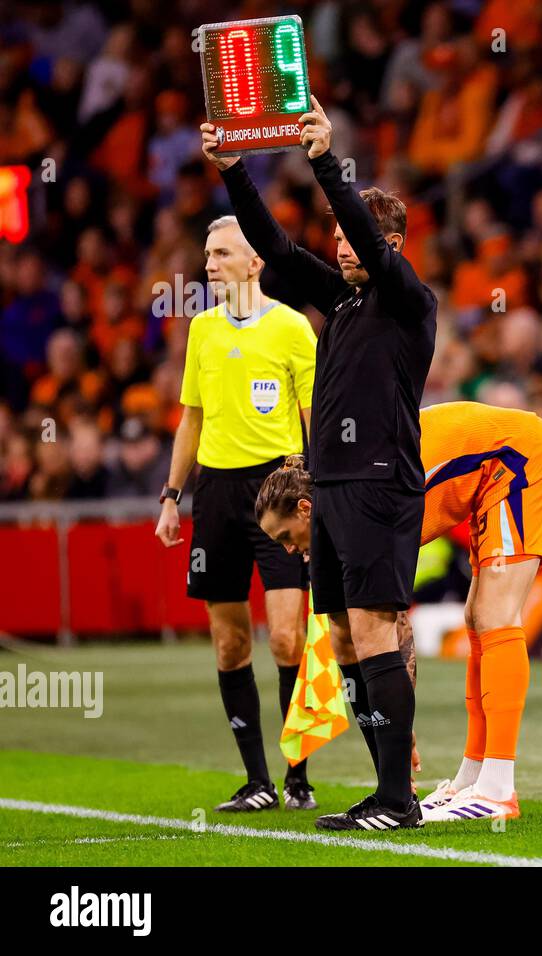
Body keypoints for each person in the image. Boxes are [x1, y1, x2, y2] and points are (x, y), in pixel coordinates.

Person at [203, 96, 438, 831]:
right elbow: (275, 251)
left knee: (371, 633)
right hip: (331, 487)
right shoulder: (339, 304)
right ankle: (382, 789)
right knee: (340, 637)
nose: (341, 245)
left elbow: (366, 241)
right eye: (335, 234)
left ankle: (399, 799)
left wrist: (323, 161)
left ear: (391, 243)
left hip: (377, 485)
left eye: (355, 235)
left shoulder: (409, 301)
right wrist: (237, 171)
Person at [254, 401, 542, 822]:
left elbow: (391, 622)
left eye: (285, 536)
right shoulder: (345, 499)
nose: (289, 550)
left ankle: (498, 787)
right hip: (487, 474)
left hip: (517, 457)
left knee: (496, 616)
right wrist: (396, 725)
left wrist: (397, 724)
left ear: (305, 509)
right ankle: (473, 777)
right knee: (476, 618)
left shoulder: (360, 508)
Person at [154, 216, 317, 812]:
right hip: (216, 494)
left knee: (285, 636)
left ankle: (298, 773)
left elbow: (312, 414)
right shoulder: (201, 329)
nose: (210, 263)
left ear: (256, 263)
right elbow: (190, 419)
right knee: (229, 646)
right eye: (206, 254)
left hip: (276, 490)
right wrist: (171, 497)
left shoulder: (294, 328)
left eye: (222, 253)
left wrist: (314, 491)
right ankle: (258, 783)